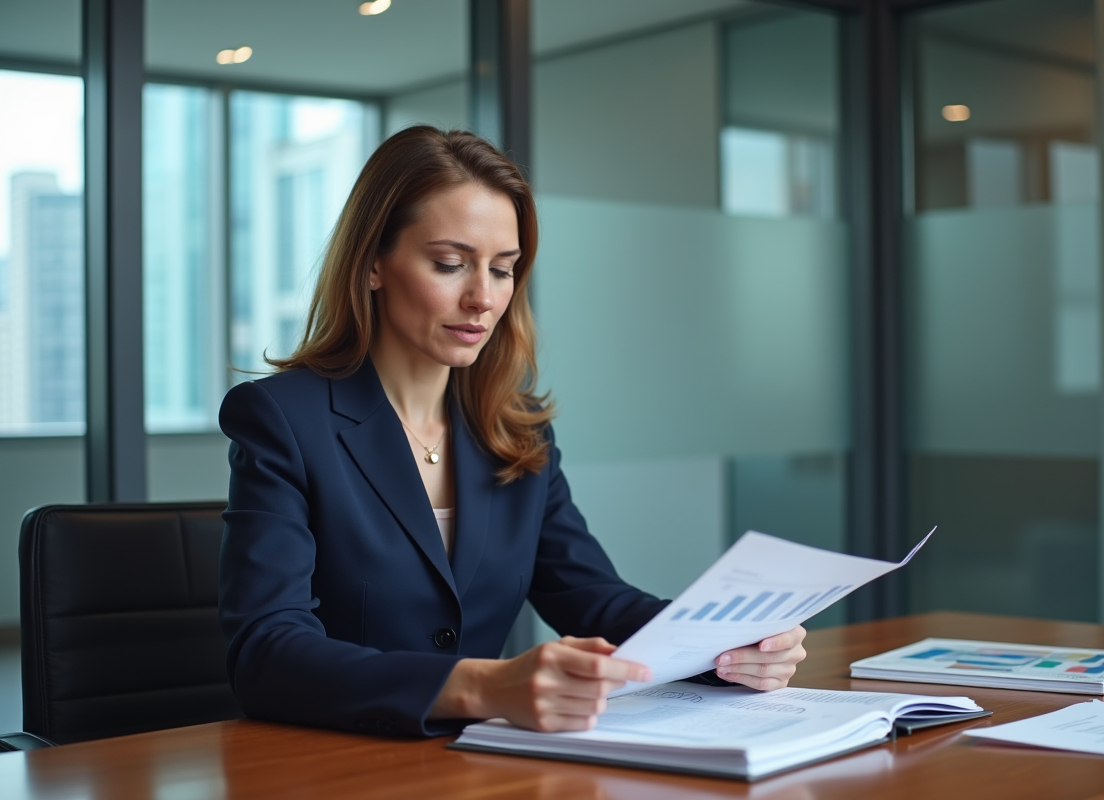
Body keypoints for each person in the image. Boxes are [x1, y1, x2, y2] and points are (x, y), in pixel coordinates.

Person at [218, 126, 807, 738]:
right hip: (337, 760)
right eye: (450, 264)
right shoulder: (283, 419)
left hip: (483, 764)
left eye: (503, 270)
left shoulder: (515, 429)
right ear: (372, 263)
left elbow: (593, 599)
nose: (483, 298)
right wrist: (484, 685)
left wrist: (726, 647)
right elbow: (266, 652)